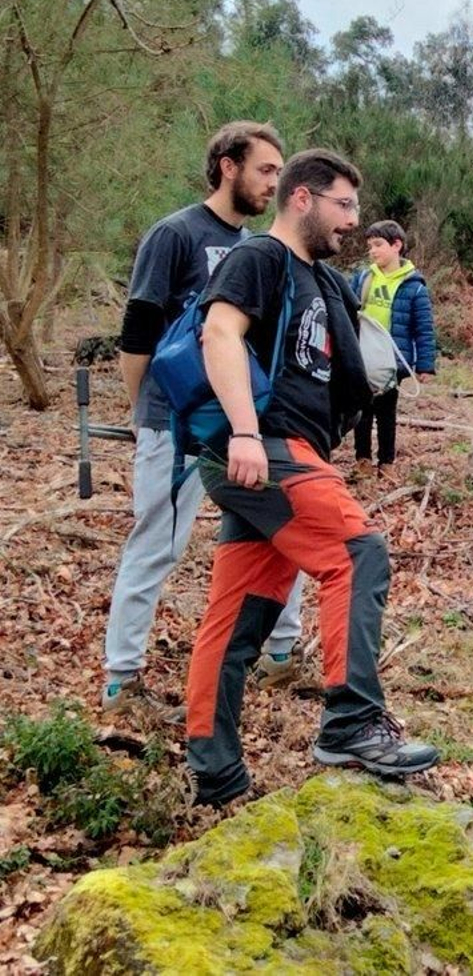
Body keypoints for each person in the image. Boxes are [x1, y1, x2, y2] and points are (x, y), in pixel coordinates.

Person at [184, 148, 439, 806]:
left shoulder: (323, 282)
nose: (353, 220)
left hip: (296, 454)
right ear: (302, 198)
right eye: (343, 205)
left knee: (242, 614)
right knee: (358, 553)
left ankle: (214, 773)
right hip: (261, 447)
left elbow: (355, 370)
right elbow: (219, 334)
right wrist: (243, 430)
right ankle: (351, 720)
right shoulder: (261, 259)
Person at [103, 122, 308, 714]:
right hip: (174, 422)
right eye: (265, 169)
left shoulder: (258, 247)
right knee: (157, 543)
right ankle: (122, 680)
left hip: (241, 423)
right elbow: (139, 327)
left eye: (278, 171)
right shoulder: (176, 233)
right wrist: (149, 411)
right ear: (227, 165)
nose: (274, 181)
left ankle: (281, 655)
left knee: (280, 524)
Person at [350, 219, 436, 468]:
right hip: (363, 356)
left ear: (396, 245)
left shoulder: (413, 286)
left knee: (386, 413)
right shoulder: (364, 278)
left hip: (392, 359)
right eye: (370, 246)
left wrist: (425, 365)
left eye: (378, 244)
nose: (373, 251)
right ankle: (362, 461)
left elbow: (424, 328)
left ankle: (386, 463)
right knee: (362, 411)